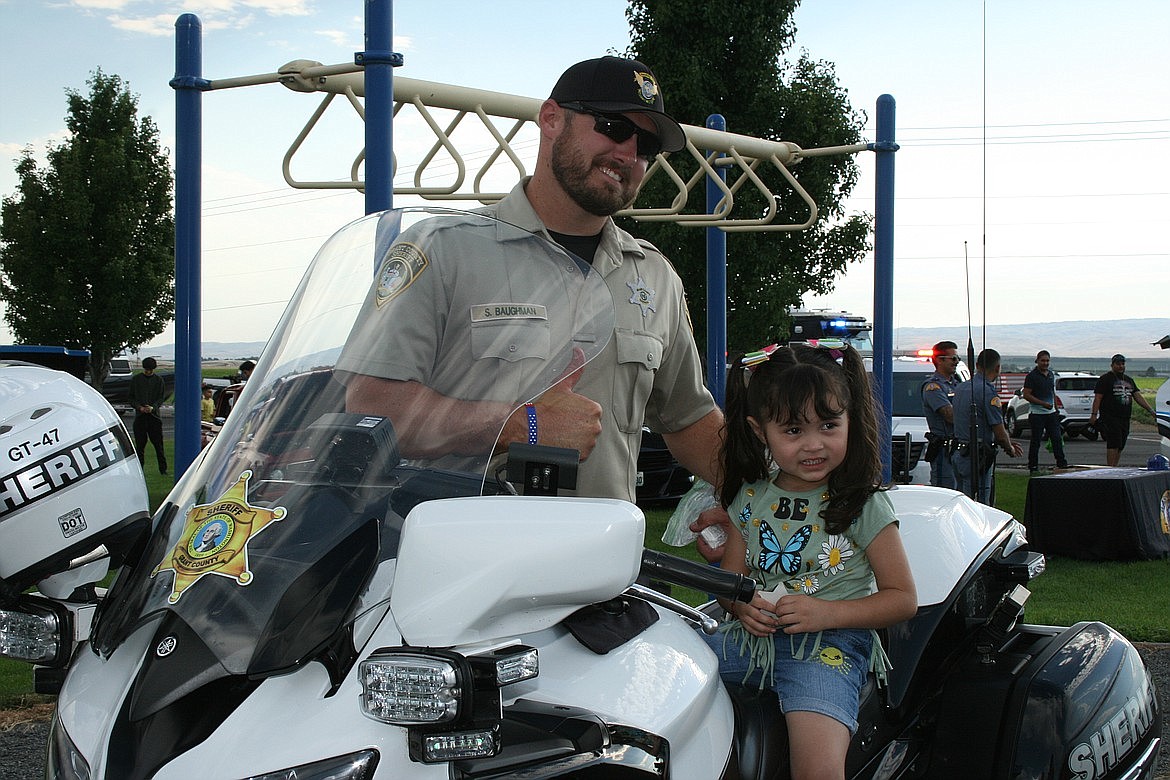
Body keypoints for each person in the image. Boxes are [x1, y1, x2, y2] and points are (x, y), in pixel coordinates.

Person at [336, 56, 722, 501]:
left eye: (647, 145)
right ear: (551, 119)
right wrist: (522, 425)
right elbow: (373, 409)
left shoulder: (654, 276)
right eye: (614, 127)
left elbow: (689, 420)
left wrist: (775, 497)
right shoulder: (443, 249)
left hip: (603, 562)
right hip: (466, 560)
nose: (629, 155)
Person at [703, 341, 917, 780]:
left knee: (817, 769)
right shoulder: (749, 497)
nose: (814, 444)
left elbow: (902, 599)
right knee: (667, 679)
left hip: (829, 649)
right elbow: (731, 582)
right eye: (794, 431)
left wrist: (826, 614)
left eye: (828, 425)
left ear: (850, 421)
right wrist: (740, 606)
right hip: (748, 642)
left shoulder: (863, 504)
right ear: (760, 431)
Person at [952, 348, 1022, 504]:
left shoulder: (961, 388)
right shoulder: (988, 393)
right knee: (981, 504)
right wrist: (1009, 448)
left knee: (960, 501)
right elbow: (999, 430)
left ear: (977, 365)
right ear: (997, 368)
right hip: (977, 457)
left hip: (959, 453)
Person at [1089, 354, 1154, 467]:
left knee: (1120, 445)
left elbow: (1138, 396)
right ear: (1112, 365)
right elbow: (1098, 398)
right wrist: (1094, 415)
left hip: (1125, 417)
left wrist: (1151, 410)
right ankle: (1110, 469)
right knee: (1113, 443)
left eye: (1122, 364)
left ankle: (1115, 466)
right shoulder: (1105, 379)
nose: (1121, 366)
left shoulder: (1129, 380)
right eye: (1118, 364)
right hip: (1110, 417)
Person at [920, 340, 961, 489]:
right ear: (940, 360)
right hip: (944, 450)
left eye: (958, 359)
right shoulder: (933, 387)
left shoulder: (956, 384)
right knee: (946, 490)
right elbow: (950, 416)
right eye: (954, 358)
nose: (957, 362)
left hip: (958, 449)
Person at [1022, 350, 1069, 473]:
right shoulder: (1032, 376)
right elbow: (1026, 394)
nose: (1045, 363)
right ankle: (1033, 466)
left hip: (1051, 413)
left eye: (1047, 361)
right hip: (1037, 414)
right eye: (1042, 360)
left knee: (1056, 438)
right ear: (1037, 361)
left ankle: (1062, 463)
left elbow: (1052, 392)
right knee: (1036, 441)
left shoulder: (1051, 375)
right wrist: (1042, 404)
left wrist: (1056, 408)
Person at [128, 356, 168, 474]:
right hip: (140, 417)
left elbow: (161, 397)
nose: (148, 371)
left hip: (154, 417)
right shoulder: (136, 380)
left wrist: (153, 407)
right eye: (146, 369)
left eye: (150, 369)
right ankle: (139, 469)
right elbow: (131, 397)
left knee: (159, 446)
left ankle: (163, 469)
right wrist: (139, 407)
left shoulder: (159, 380)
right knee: (140, 446)